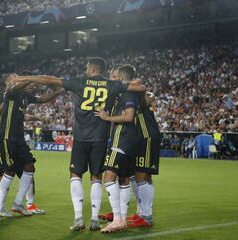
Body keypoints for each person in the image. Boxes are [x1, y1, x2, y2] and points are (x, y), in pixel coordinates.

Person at [13, 57, 145, 231]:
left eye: (86, 68)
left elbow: (49, 79)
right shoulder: (112, 85)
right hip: (100, 137)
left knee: (75, 175)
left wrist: (26, 78)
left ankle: (78, 218)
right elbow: (140, 87)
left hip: (82, 137)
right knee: (96, 177)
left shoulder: (80, 82)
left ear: (91, 69)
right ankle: (95, 219)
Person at [0, 73, 63, 215]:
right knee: (8, 171)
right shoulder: (10, 92)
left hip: (19, 139)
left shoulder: (25, 96)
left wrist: (57, 92)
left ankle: (18, 204)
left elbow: (41, 99)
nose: (33, 86)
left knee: (29, 167)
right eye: (30, 84)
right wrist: (31, 78)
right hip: (7, 137)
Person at [94, 65, 140, 233]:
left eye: (113, 76)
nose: (110, 78)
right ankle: (120, 218)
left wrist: (108, 118)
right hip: (128, 141)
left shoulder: (128, 93)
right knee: (124, 179)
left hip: (122, 141)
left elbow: (129, 116)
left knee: (108, 177)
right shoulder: (123, 93)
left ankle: (119, 218)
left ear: (120, 77)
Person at [127, 90, 162, 228]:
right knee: (136, 175)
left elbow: (150, 98)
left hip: (147, 137)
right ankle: (141, 212)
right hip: (138, 138)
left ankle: (146, 216)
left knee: (143, 175)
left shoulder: (140, 93)